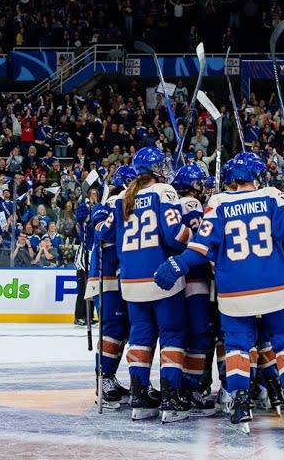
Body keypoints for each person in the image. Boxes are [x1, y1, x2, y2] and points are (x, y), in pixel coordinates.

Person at [153, 151, 284, 435]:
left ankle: (241, 403)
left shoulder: (217, 203)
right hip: (276, 286)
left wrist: (177, 263)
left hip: (234, 293)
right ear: (256, 177)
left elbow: (201, 247)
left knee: (237, 347)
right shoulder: (273, 196)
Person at [97, 147, 193, 422]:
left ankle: (139, 395)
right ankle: (171, 397)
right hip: (161, 275)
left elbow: (106, 234)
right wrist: (195, 235)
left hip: (129, 279)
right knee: (172, 334)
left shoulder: (121, 199)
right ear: (157, 169)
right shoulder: (164, 191)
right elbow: (175, 236)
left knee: (140, 335)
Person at [170, 163, 219, 415]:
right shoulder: (191, 204)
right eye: (199, 183)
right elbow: (202, 239)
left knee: (182, 335)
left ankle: (179, 387)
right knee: (200, 334)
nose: (202, 187)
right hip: (195, 276)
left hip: (178, 278)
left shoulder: (170, 203)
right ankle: (191, 389)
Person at [86, 166, 136, 410]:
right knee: (112, 329)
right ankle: (102, 379)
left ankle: (110, 376)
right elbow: (101, 232)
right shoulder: (108, 205)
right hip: (106, 277)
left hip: (121, 276)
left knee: (122, 329)